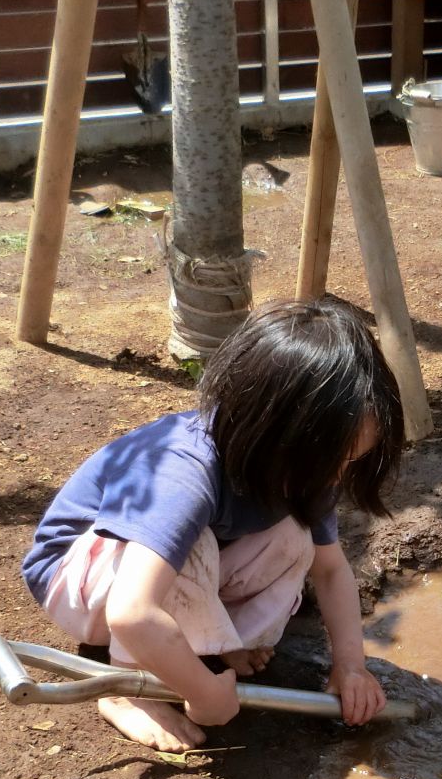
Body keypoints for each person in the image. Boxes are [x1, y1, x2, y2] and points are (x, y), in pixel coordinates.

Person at [21, 297, 402, 753]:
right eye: (336, 459)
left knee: (297, 538)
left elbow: (331, 569)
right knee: (191, 542)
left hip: (159, 580)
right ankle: (125, 687)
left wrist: (351, 666)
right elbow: (130, 611)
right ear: (273, 432)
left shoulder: (306, 465)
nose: (340, 474)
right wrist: (202, 695)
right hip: (83, 582)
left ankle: (208, 643)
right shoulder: (182, 472)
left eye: (351, 460)